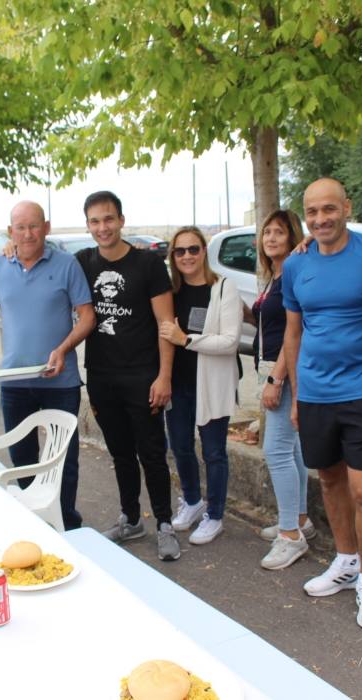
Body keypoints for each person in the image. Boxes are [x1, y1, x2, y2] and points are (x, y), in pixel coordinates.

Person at [282, 178, 362, 631]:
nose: (320, 219)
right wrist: (297, 396)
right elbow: (293, 334)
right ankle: (345, 562)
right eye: (312, 212)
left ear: (346, 207)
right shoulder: (297, 266)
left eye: (328, 209)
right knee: (330, 480)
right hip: (315, 393)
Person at [0, 201, 95, 530]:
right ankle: (36, 519)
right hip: (13, 381)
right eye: (20, 227)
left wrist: (63, 348)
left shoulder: (67, 265)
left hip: (61, 381)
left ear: (46, 227)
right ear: (10, 232)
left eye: (34, 226)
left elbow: (87, 317)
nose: (28, 233)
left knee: (63, 458)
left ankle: (66, 522)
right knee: (21, 456)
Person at [75, 191, 180, 561]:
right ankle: (131, 518)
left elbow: (166, 324)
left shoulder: (148, 264)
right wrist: (11, 247)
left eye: (108, 219)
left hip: (143, 376)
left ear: (121, 220)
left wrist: (164, 376)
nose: (102, 227)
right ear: (88, 225)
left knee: (151, 452)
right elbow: (44, 267)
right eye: (94, 221)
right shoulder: (82, 262)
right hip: (102, 376)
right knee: (120, 452)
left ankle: (165, 524)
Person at [242, 209, 317, 570]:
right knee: (294, 450)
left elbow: (295, 331)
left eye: (279, 232)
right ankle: (300, 520)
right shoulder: (276, 274)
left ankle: (291, 536)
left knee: (276, 450)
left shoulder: (293, 272)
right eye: (266, 232)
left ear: (293, 237)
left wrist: (277, 379)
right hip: (273, 367)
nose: (271, 238)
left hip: (283, 370)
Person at [158, 226, 241, 545]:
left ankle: (215, 514)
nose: (187, 256)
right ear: (173, 256)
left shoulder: (224, 288)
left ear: (204, 251)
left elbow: (231, 341)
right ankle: (193, 502)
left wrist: (186, 339)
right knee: (179, 445)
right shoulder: (170, 292)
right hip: (177, 382)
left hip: (212, 383)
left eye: (193, 249)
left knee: (214, 452)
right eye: (180, 251)